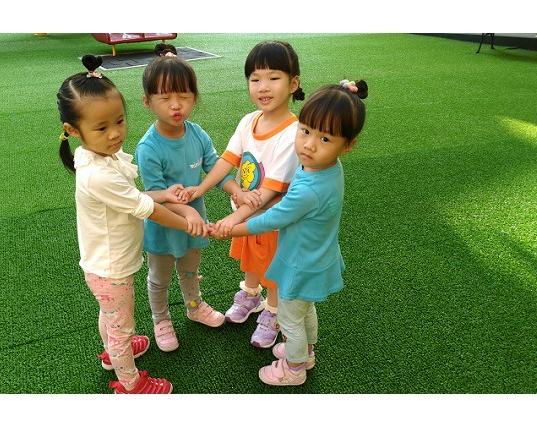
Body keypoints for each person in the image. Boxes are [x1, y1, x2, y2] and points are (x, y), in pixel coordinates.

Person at [209, 79, 369, 386]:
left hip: (300, 264)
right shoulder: (328, 168)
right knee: (304, 311)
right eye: (305, 131)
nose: (309, 145)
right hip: (317, 258)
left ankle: (294, 369)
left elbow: (271, 219)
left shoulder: (310, 189)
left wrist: (232, 229)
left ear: (347, 145)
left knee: (289, 318)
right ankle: (306, 352)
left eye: (325, 138)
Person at [57, 54, 196, 394]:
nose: (115, 133)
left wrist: (164, 193)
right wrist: (186, 222)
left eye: (119, 121)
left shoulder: (99, 157)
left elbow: (131, 196)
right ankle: (131, 384)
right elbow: (145, 208)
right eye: (101, 128)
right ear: (73, 130)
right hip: (112, 268)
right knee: (122, 327)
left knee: (111, 317)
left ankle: (112, 352)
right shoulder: (98, 174)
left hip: (105, 264)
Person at [182, 40, 305, 349]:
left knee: (273, 269)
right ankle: (251, 295)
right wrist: (201, 187)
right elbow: (227, 160)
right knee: (250, 260)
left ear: (293, 83)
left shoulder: (292, 133)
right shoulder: (249, 120)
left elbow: (269, 191)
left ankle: (274, 312)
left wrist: (233, 220)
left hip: (274, 220)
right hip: (248, 215)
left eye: (274, 78)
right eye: (255, 78)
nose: (263, 87)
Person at [134, 55, 232, 352]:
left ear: (194, 98)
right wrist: (187, 210)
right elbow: (155, 195)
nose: (176, 105)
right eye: (165, 98)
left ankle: (194, 306)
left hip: (194, 224)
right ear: (148, 102)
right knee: (160, 278)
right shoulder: (148, 147)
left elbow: (216, 167)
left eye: (184, 97)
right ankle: (161, 319)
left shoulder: (197, 133)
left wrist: (235, 190)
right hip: (164, 226)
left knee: (189, 270)